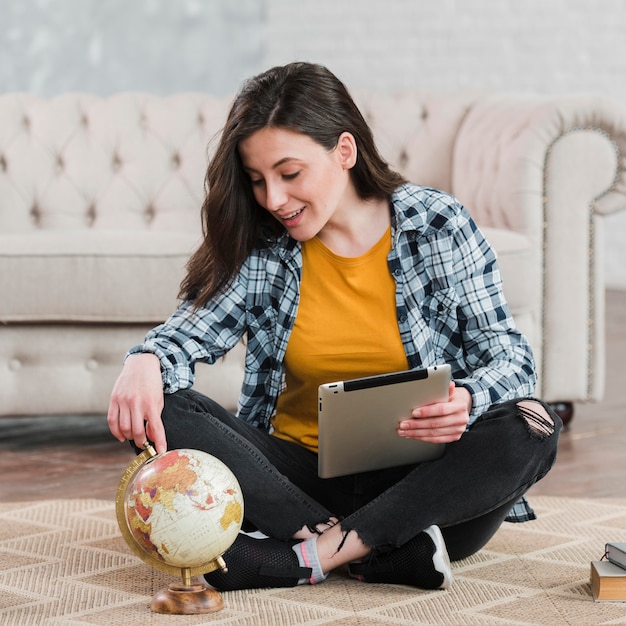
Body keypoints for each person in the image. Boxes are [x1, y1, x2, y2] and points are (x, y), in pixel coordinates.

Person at [107, 61, 561, 592]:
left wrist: (466, 397)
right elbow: (186, 334)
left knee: (533, 423)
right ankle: (377, 553)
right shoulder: (265, 246)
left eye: (289, 173)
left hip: (425, 490)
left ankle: (306, 557)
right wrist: (145, 360)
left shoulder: (435, 224)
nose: (273, 199)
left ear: (344, 151)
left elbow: (511, 359)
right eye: (257, 181)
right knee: (158, 402)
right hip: (294, 488)